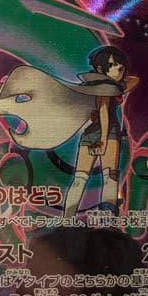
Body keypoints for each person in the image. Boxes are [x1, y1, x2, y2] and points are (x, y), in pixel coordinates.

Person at [62, 46, 136, 219]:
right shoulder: (103, 88)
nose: (119, 68)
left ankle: (68, 219)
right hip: (107, 133)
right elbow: (103, 112)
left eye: (120, 66)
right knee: (109, 177)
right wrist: (103, 139)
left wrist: (115, 83)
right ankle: (104, 219)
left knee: (81, 179)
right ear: (101, 69)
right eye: (113, 65)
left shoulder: (102, 86)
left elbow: (133, 80)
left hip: (92, 134)